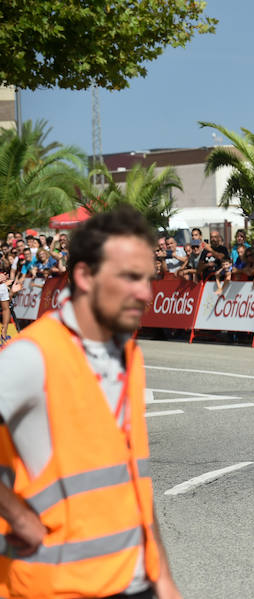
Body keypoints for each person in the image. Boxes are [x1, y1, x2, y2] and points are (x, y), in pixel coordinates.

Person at [0, 207, 181, 598]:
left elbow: (135, 483)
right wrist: (16, 516)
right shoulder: (33, 356)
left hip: (135, 584)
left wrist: (163, 579)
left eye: (148, 279)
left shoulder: (129, 355)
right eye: (130, 277)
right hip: (60, 588)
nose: (145, 293)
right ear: (84, 275)